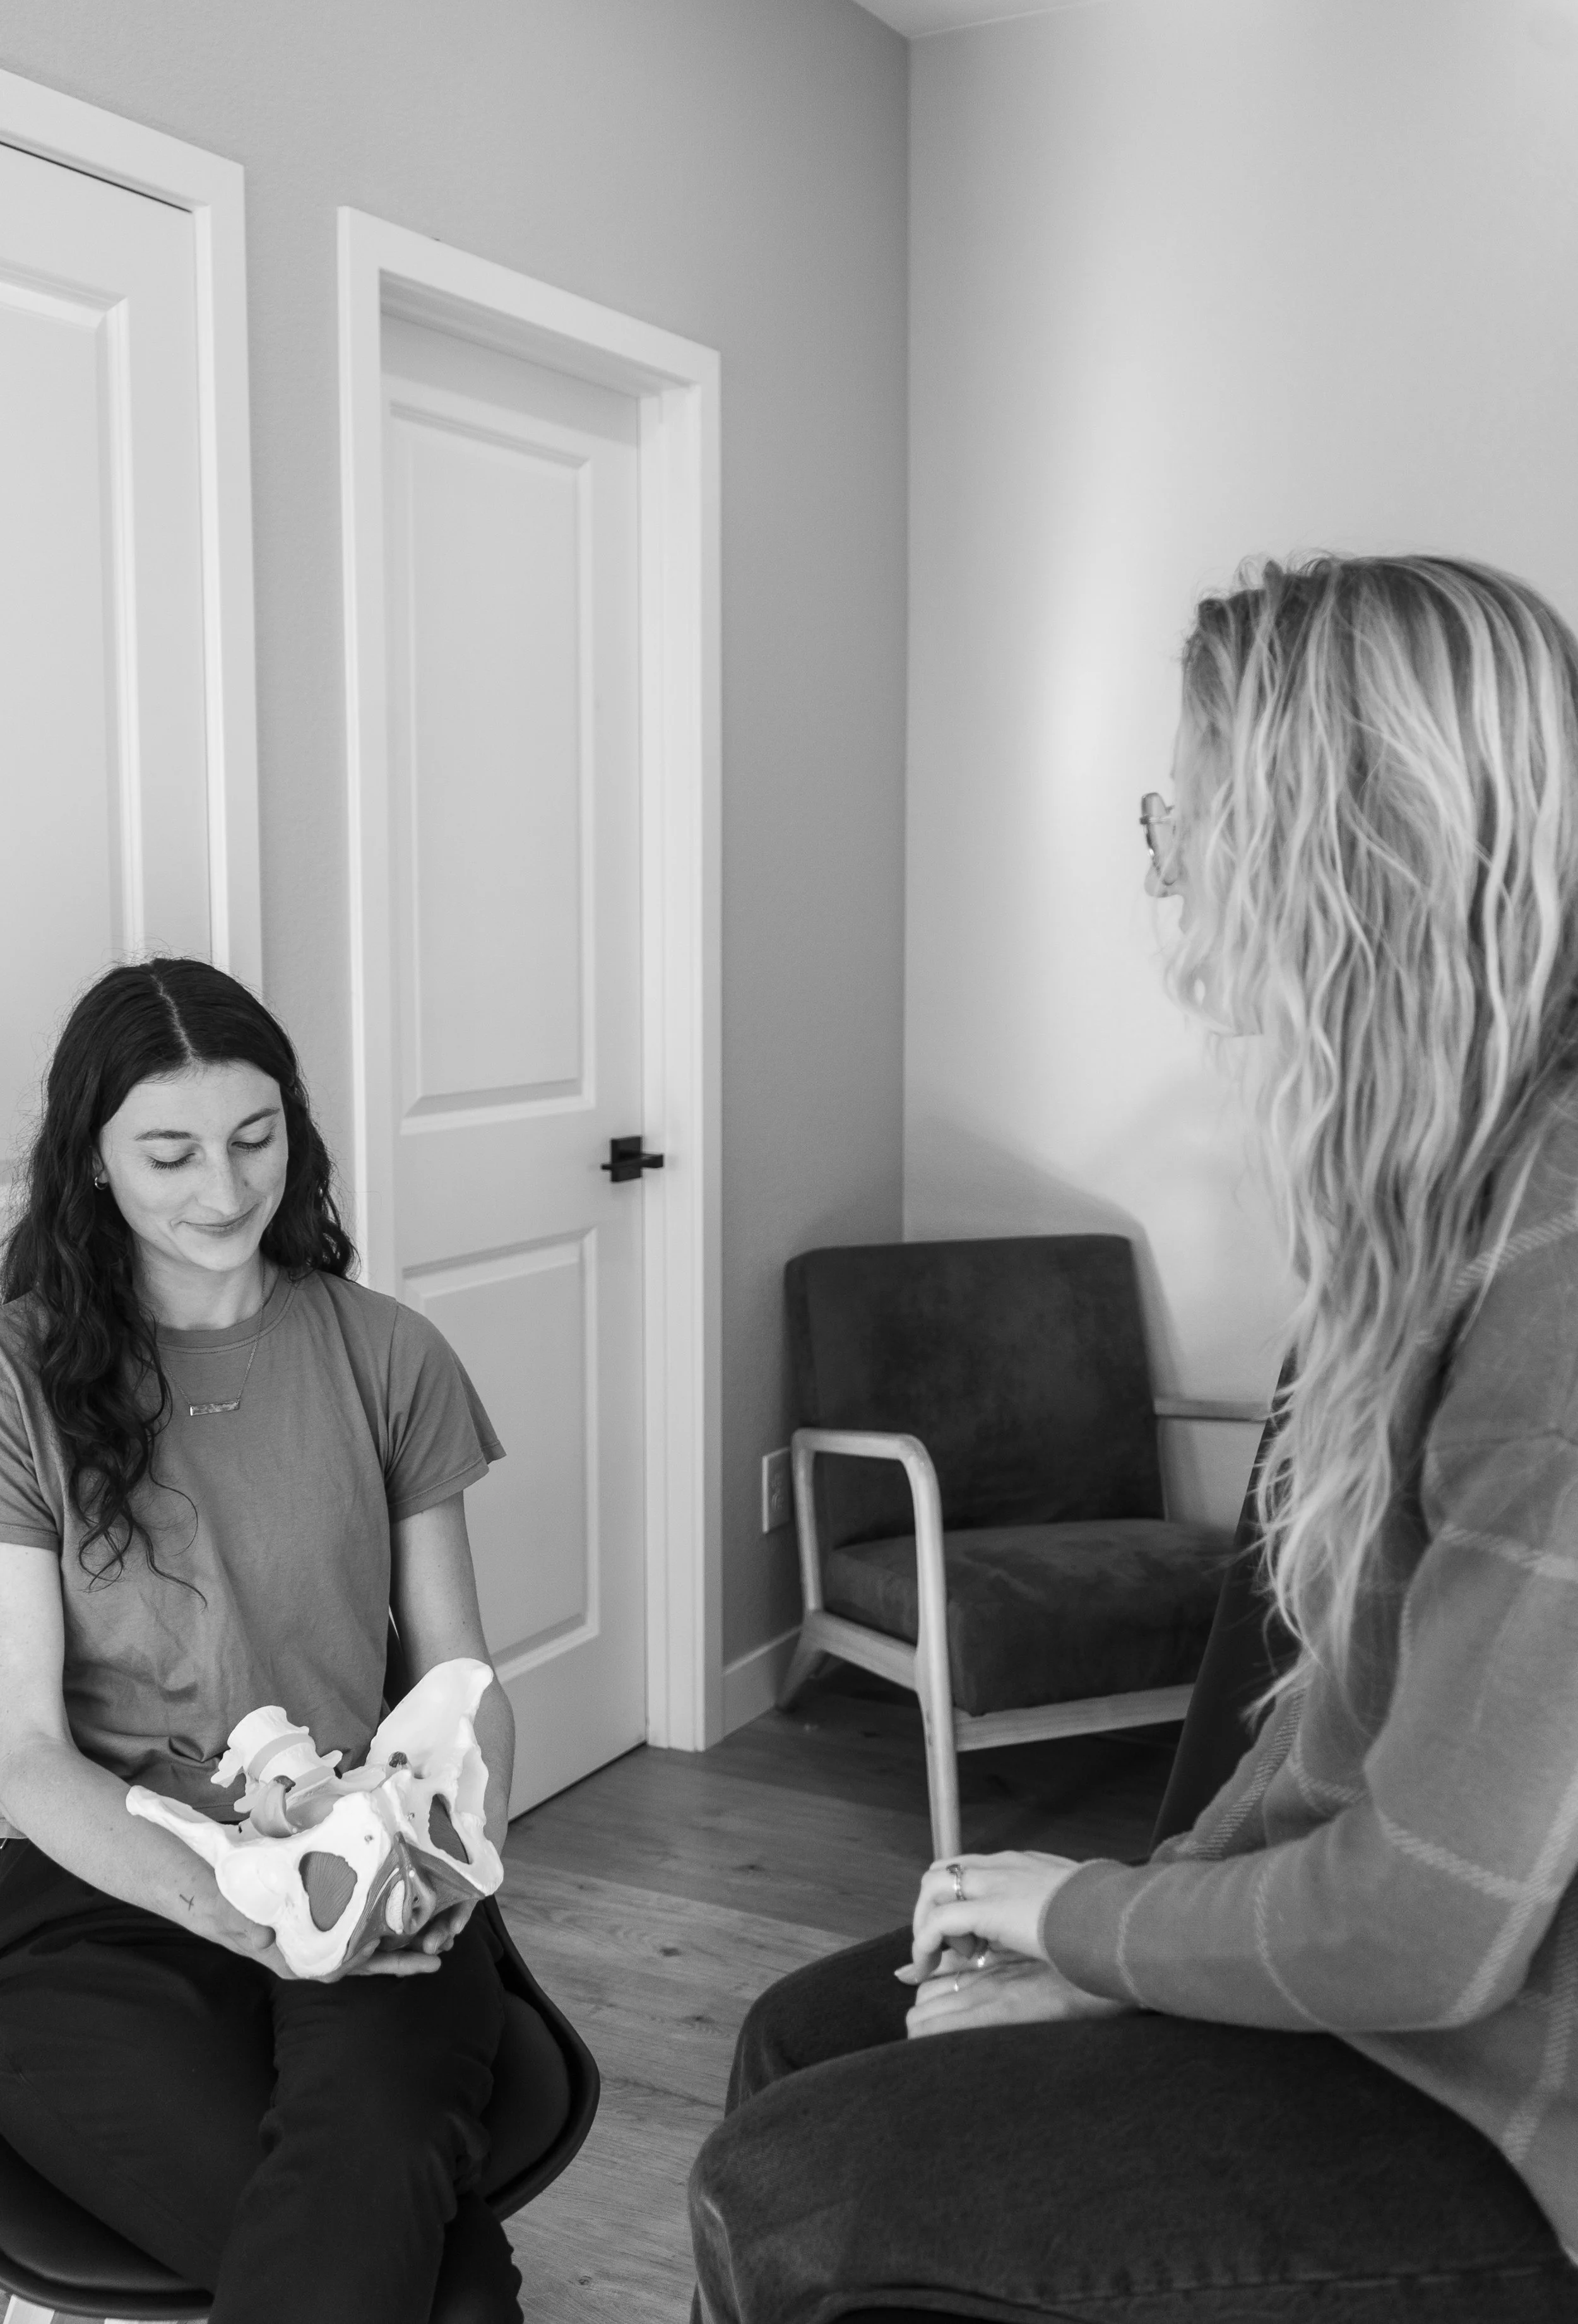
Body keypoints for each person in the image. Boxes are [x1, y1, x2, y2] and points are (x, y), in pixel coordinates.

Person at [689, 555, 1578, 2323]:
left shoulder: (1549, 1269)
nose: (1159, 858)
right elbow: (1315, 1736)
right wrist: (1123, 1925)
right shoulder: (1416, 1212)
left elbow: (1430, 1920)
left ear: (1338, 849)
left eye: (1189, 809)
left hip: (1497, 2091)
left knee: (785, 2199)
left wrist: (1087, 1935)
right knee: (802, 2032)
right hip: (1383, 1994)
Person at [0, 958, 536, 2324]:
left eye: (254, 1140)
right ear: (93, 1164)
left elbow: (459, 1677)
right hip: (95, 1890)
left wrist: (429, 1847)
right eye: (169, 1153)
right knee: (447, 2291)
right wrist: (240, 1913)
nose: (225, 1191)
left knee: (380, 2235)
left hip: (361, 1873)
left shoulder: (388, 1355)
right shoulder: (20, 1380)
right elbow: (22, 1756)